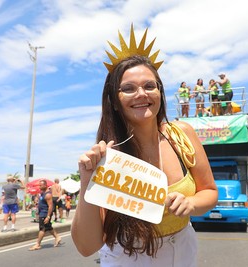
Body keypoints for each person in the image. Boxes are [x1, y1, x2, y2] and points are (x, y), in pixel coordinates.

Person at [71, 25, 218, 266]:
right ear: (115, 101)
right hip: (128, 258)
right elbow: (87, 246)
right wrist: (88, 180)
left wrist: (190, 203)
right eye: (128, 88)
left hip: (184, 252)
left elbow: (210, 192)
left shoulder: (183, 135)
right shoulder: (109, 157)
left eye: (150, 86)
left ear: (160, 92)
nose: (141, 94)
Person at [29, 180, 63, 251]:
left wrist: (48, 216)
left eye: (40, 185)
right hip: (42, 213)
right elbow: (40, 201)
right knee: (48, 227)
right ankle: (57, 237)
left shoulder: (48, 195)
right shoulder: (42, 193)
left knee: (42, 229)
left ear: (45, 185)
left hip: (45, 214)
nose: (39, 187)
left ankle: (38, 244)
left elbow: (50, 206)